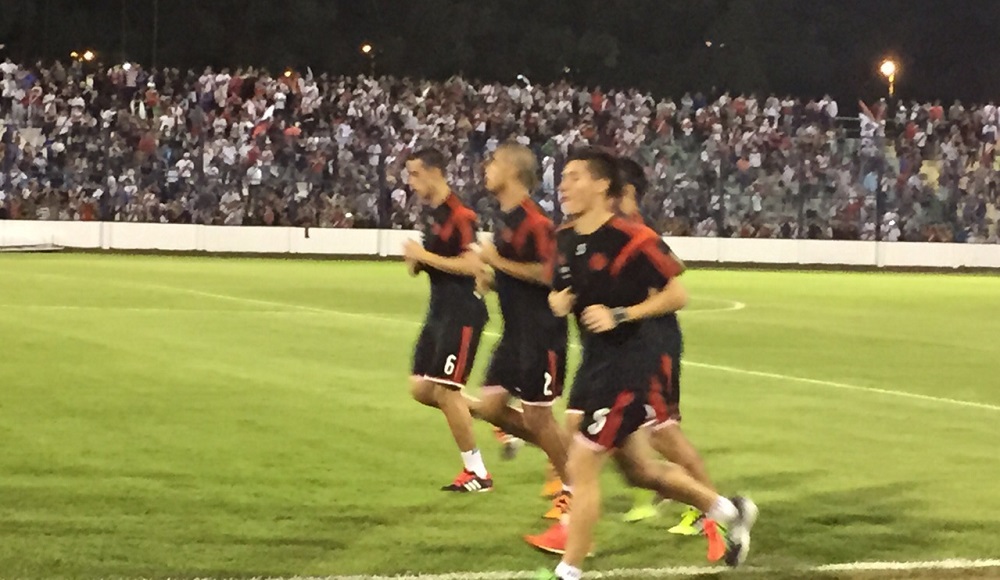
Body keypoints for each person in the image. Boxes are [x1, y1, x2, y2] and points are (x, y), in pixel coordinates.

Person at [530, 148, 757, 579]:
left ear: (602, 185)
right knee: (638, 471)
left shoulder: (633, 239)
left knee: (581, 462)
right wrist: (559, 301)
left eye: (574, 176)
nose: (563, 184)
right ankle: (730, 510)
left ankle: (569, 571)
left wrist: (622, 314)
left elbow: (676, 294)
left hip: (632, 364)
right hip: (597, 362)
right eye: (562, 177)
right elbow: (564, 290)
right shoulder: (564, 239)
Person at [467, 142, 572, 520]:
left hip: (542, 335)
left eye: (493, 162)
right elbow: (518, 277)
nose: (486, 168)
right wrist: (489, 279)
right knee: (493, 408)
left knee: (540, 419)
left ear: (512, 171)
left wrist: (494, 260)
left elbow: (548, 275)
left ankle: (572, 490)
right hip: (515, 336)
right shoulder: (505, 218)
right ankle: (564, 452)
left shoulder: (536, 221)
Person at [614, 157, 714, 535]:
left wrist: (626, 311)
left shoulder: (636, 231)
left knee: (662, 431)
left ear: (626, 193)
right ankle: (686, 497)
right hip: (639, 342)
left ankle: (712, 505)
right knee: (639, 430)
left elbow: (676, 276)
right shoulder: (622, 230)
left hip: (654, 341)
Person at [402, 147, 492, 492]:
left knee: (445, 390)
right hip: (438, 311)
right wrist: (415, 261)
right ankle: (494, 416)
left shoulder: (461, 215)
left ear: (434, 172)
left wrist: (423, 255)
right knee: (421, 388)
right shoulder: (431, 215)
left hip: (462, 312)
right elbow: (429, 262)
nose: (411, 183)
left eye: (415, 174)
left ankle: (477, 472)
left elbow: (473, 267)